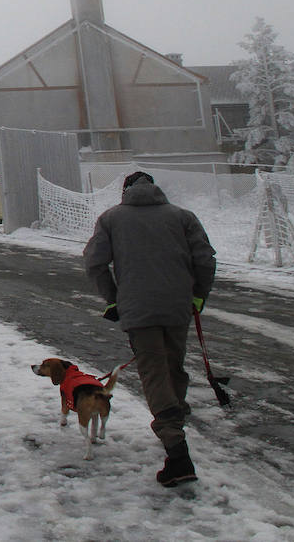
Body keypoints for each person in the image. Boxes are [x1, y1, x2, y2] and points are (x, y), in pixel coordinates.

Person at [83, 170, 216, 487]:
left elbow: (94, 262)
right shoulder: (183, 217)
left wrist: (113, 299)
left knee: (155, 372)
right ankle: (175, 421)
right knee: (173, 365)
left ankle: (177, 453)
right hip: (177, 307)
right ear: (155, 188)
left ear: (125, 191)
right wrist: (198, 295)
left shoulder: (111, 219)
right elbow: (205, 259)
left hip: (138, 310)